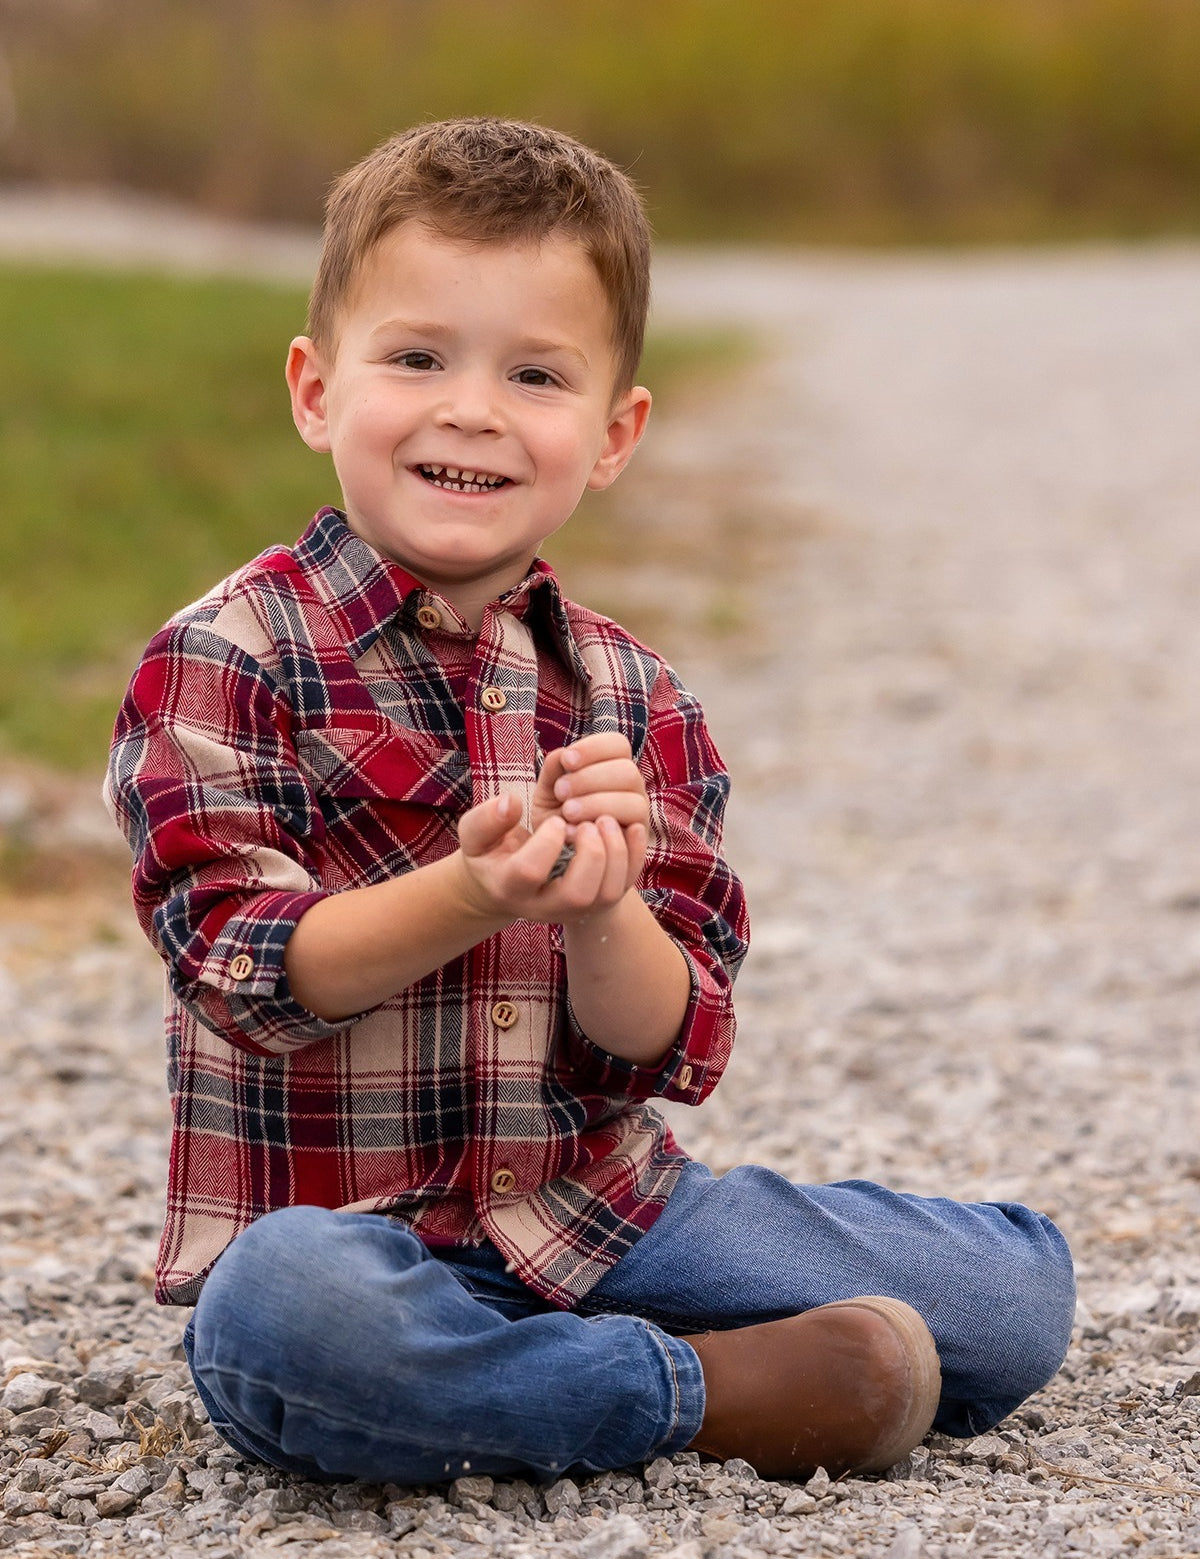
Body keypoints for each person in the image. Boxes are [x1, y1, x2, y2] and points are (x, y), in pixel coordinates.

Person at [105, 117, 1075, 1486]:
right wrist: (477, 890)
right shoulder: (226, 657)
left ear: (613, 434)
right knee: (287, 1331)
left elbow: (662, 1046)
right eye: (419, 357)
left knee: (1016, 1301)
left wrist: (605, 909)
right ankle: (711, 1391)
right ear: (316, 389)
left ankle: (535, 1370)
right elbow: (242, 973)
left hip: (599, 1210)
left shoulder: (635, 696)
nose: (474, 409)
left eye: (537, 373)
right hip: (346, 1235)